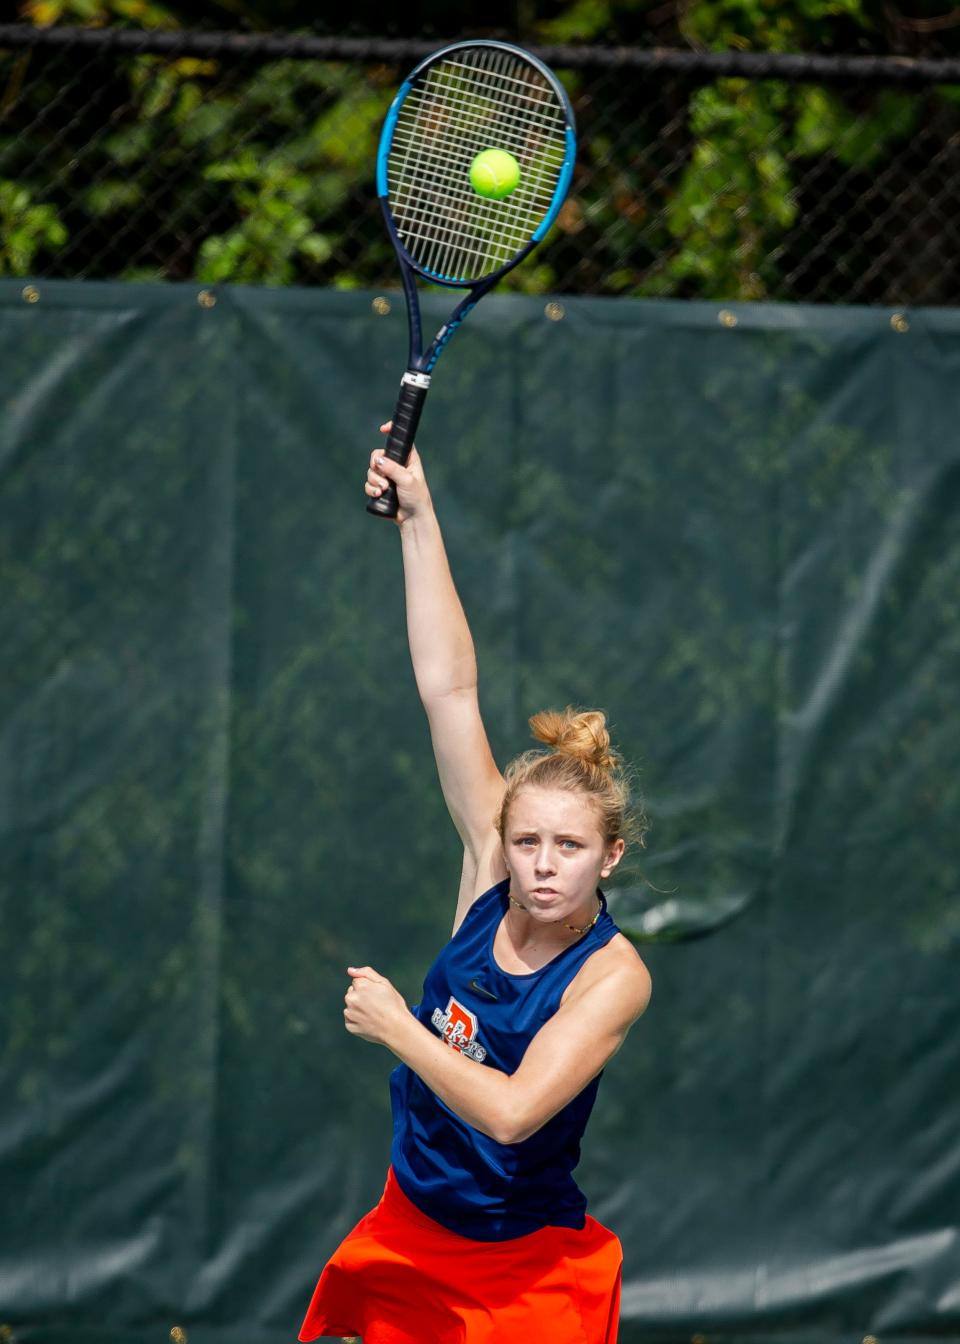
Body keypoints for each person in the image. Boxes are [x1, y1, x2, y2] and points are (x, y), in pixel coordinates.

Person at [298, 428, 652, 1344]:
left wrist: (399, 1030)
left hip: (521, 1265)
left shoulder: (613, 979)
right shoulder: (490, 872)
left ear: (609, 857)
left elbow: (511, 1115)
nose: (541, 862)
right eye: (526, 839)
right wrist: (419, 517)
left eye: (569, 846)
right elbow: (448, 687)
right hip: (411, 1231)